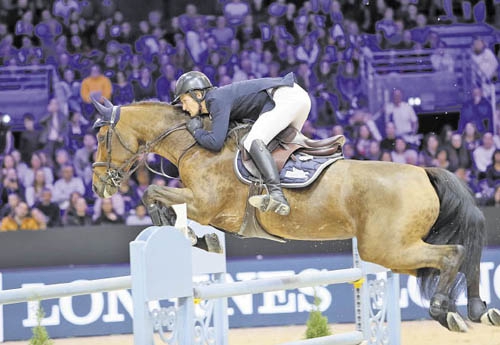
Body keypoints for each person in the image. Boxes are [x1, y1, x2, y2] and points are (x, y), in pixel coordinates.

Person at [173, 71, 311, 215]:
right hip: (296, 97)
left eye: (184, 101)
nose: (184, 107)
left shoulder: (215, 100)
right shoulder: (219, 99)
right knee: (280, 147)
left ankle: (276, 194)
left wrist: (196, 132)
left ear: (198, 95)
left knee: (253, 141)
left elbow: (215, 142)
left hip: (285, 97)